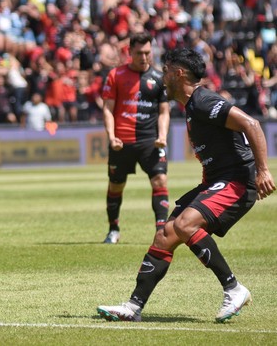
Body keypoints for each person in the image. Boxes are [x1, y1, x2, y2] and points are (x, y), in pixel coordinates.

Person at [97, 48, 276, 323]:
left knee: (183, 225)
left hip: (236, 182)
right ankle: (133, 307)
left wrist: (263, 170)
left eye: (166, 71)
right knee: (165, 235)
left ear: (179, 73)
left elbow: (251, 124)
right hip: (216, 182)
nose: (162, 77)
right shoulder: (192, 106)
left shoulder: (203, 101)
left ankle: (233, 288)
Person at [101, 32, 170, 244]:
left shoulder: (159, 78)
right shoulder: (116, 75)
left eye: (147, 52)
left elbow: (164, 112)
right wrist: (112, 137)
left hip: (150, 141)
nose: (144, 57)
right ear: (130, 52)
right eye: (139, 53)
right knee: (116, 186)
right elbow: (107, 109)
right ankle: (113, 229)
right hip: (122, 143)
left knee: (160, 180)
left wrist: (162, 136)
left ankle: (161, 232)